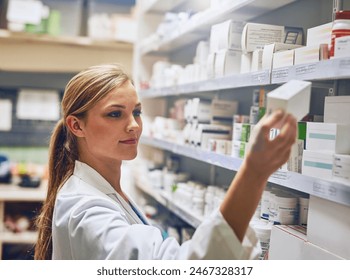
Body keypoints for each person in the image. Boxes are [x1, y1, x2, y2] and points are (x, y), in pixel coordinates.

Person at [34, 63, 297, 260]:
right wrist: (254, 172)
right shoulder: (85, 210)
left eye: (136, 112)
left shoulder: (107, 187)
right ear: (76, 125)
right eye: (115, 114)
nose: (133, 126)